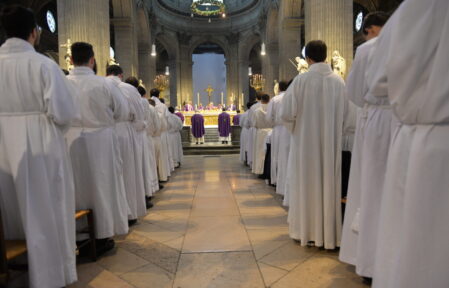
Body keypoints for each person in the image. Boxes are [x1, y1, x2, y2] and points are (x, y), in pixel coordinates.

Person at [363, 2, 449, 287]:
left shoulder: (416, 8)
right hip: (424, 131)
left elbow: (377, 81)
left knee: (420, 247)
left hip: (427, 137)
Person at [0, 6, 78, 287]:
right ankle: (48, 274)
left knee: (9, 210)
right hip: (39, 145)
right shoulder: (44, 65)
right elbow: (65, 112)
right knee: (44, 208)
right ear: (34, 33)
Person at [281, 40, 346, 249]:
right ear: (325, 56)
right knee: (329, 183)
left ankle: (307, 232)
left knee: (306, 184)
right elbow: (347, 117)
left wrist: (298, 131)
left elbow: (286, 114)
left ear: (308, 58)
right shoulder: (339, 81)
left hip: (305, 145)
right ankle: (328, 235)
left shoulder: (301, 81)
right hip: (330, 146)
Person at [339, 11, 390, 279]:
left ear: (369, 29)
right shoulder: (408, 41)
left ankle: (370, 261)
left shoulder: (368, 49)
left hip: (378, 121)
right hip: (410, 122)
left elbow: (355, 93)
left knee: (372, 188)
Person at [65, 42, 129, 252]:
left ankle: (76, 233)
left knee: (74, 187)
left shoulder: (62, 82)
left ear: (71, 60)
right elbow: (121, 111)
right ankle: (102, 234)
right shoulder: (104, 84)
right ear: (92, 61)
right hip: (101, 140)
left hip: (69, 141)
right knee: (102, 185)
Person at [106, 65, 148, 222]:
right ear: (121, 75)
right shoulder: (130, 89)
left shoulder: (101, 84)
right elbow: (139, 115)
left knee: (111, 176)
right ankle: (129, 213)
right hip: (125, 132)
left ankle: (112, 216)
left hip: (106, 131)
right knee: (128, 173)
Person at [137, 85, 159, 207]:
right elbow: (156, 124)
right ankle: (148, 191)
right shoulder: (148, 106)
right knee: (147, 165)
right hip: (147, 137)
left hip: (135, 136)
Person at [265, 81, 289, 191]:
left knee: (277, 156)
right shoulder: (292, 97)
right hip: (291, 130)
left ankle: (277, 182)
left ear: (278, 88)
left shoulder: (275, 100)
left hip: (279, 130)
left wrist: (274, 124)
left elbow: (269, 118)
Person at [150, 88, 171, 181]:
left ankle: (154, 179)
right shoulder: (162, 106)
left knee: (151, 159)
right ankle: (162, 177)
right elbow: (167, 119)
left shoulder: (146, 104)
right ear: (159, 95)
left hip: (149, 135)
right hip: (160, 134)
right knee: (161, 157)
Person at [251, 94, 273, 175]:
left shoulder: (257, 111)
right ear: (269, 100)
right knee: (269, 153)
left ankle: (260, 171)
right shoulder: (272, 110)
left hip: (261, 133)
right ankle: (268, 171)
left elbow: (254, 124)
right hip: (271, 132)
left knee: (260, 152)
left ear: (261, 100)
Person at [247, 94, 262, 168]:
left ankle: (253, 164)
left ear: (256, 98)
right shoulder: (267, 105)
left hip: (255, 129)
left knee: (253, 147)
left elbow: (249, 120)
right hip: (267, 130)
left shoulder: (253, 107)